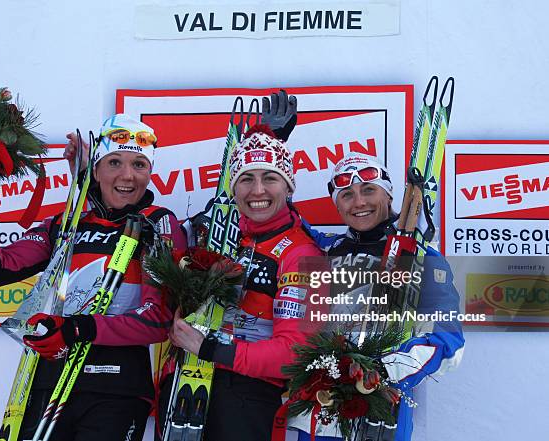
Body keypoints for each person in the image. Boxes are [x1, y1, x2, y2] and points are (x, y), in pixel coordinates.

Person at [0, 114, 186, 441]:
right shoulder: (66, 225)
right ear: (95, 170)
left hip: (115, 388)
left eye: (140, 165)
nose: (128, 175)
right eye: (115, 162)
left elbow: (157, 319)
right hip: (48, 383)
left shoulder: (157, 225)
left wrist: (75, 328)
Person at [164, 121, 324, 441]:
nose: (257, 190)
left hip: (245, 396)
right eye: (246, 179)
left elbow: (296, 353)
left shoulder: (305, 254)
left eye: (270, 178)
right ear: (233, 188)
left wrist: (213, 349)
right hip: (186, 388)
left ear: (289, 187)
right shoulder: (219, 237)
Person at [290, 152, 465, 441]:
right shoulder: (323, 250)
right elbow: (279, 216)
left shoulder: (421, 256)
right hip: (320, 409)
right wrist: (274, 143)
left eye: (369, 190)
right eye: (346, 194)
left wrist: (383, 371)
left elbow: (449, 341)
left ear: (389, 194)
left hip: (380, 405)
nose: (359, 201)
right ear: (337, 205)